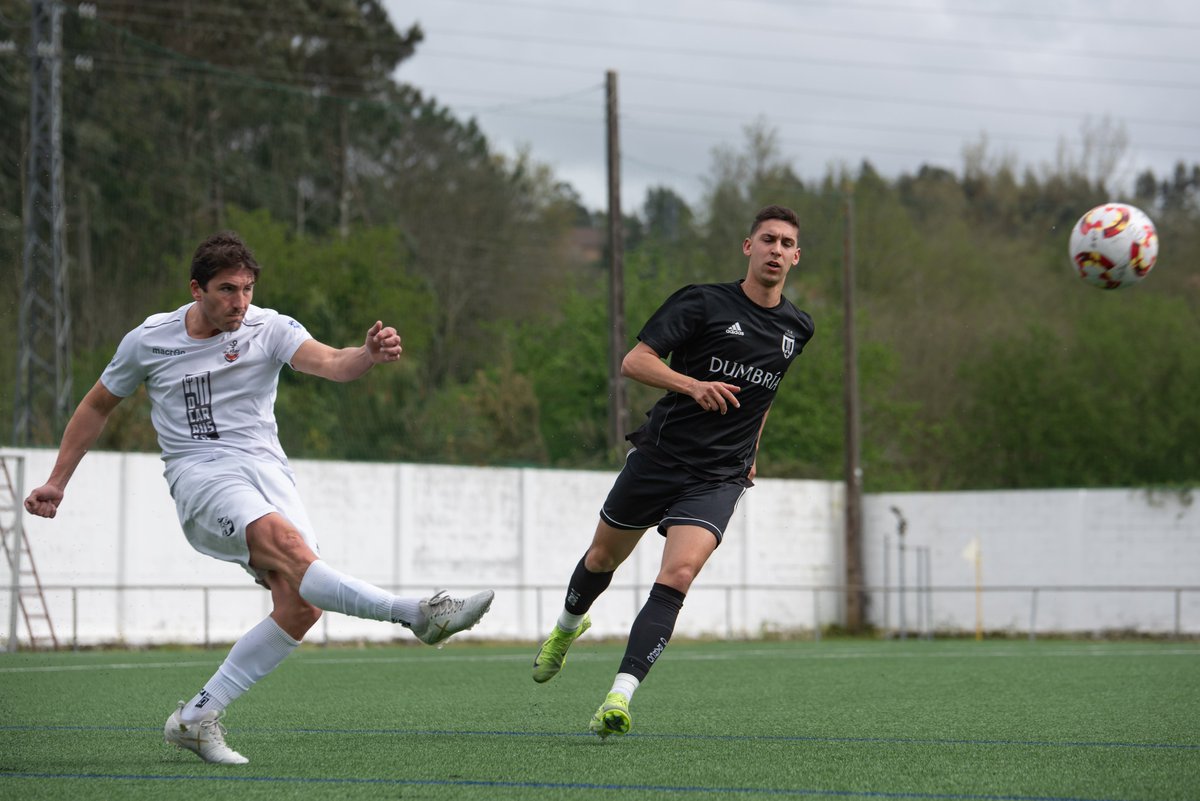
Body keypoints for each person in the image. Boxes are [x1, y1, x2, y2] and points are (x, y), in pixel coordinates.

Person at [23, 231, 494, 765]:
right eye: (227, 290)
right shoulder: (148, 340)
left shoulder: (268, 328)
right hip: (200, 476)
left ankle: (197, 717)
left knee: (302, 605)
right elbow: (97, 405)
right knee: (289, 546)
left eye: (247, 289)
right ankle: (418, 614)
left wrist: (365, 354)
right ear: (196, 289)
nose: (239, 302)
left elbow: (332, 363)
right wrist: (58, 479)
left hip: (268, 474)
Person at [531, 204, 814, 737]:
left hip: (719, 476)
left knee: (678, 574)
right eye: (768, 239)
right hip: (661, 458)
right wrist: (691, 385)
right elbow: (634, 362)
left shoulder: (798, 328)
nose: (776, 250)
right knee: (600, 559)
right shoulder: (703, 302)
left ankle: (618, 697)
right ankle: (567, 628)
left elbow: (765, 395)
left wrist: (753, 449)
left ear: (796, 257)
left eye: (786, 243)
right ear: (747, 247)